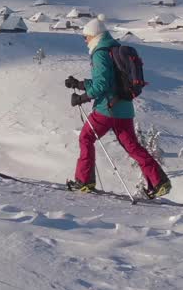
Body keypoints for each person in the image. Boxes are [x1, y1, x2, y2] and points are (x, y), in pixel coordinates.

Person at [65, 17, 171, 198]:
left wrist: (81, 98)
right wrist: (80, 84)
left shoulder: (99, 53)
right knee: (133, 147)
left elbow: (102, 85)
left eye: (86, 37)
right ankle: (159, 182)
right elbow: (110, 81)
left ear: (93, 35)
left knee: (86, 138)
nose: (85, 40)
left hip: (107, 109)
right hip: (124, 108)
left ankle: (84, 181)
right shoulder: (113, 48)